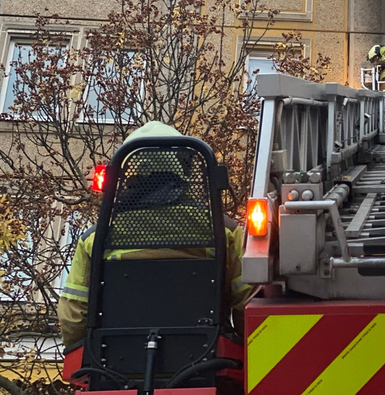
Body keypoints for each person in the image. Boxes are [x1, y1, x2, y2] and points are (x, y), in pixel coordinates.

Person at [57, 121, 250, 348]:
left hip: (114, 364)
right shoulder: (223, 231)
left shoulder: (96, 238)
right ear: (184, 167)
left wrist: (87, 358)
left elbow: (73, 316)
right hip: (207, 359)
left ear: (129, 170)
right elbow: (247, 302)